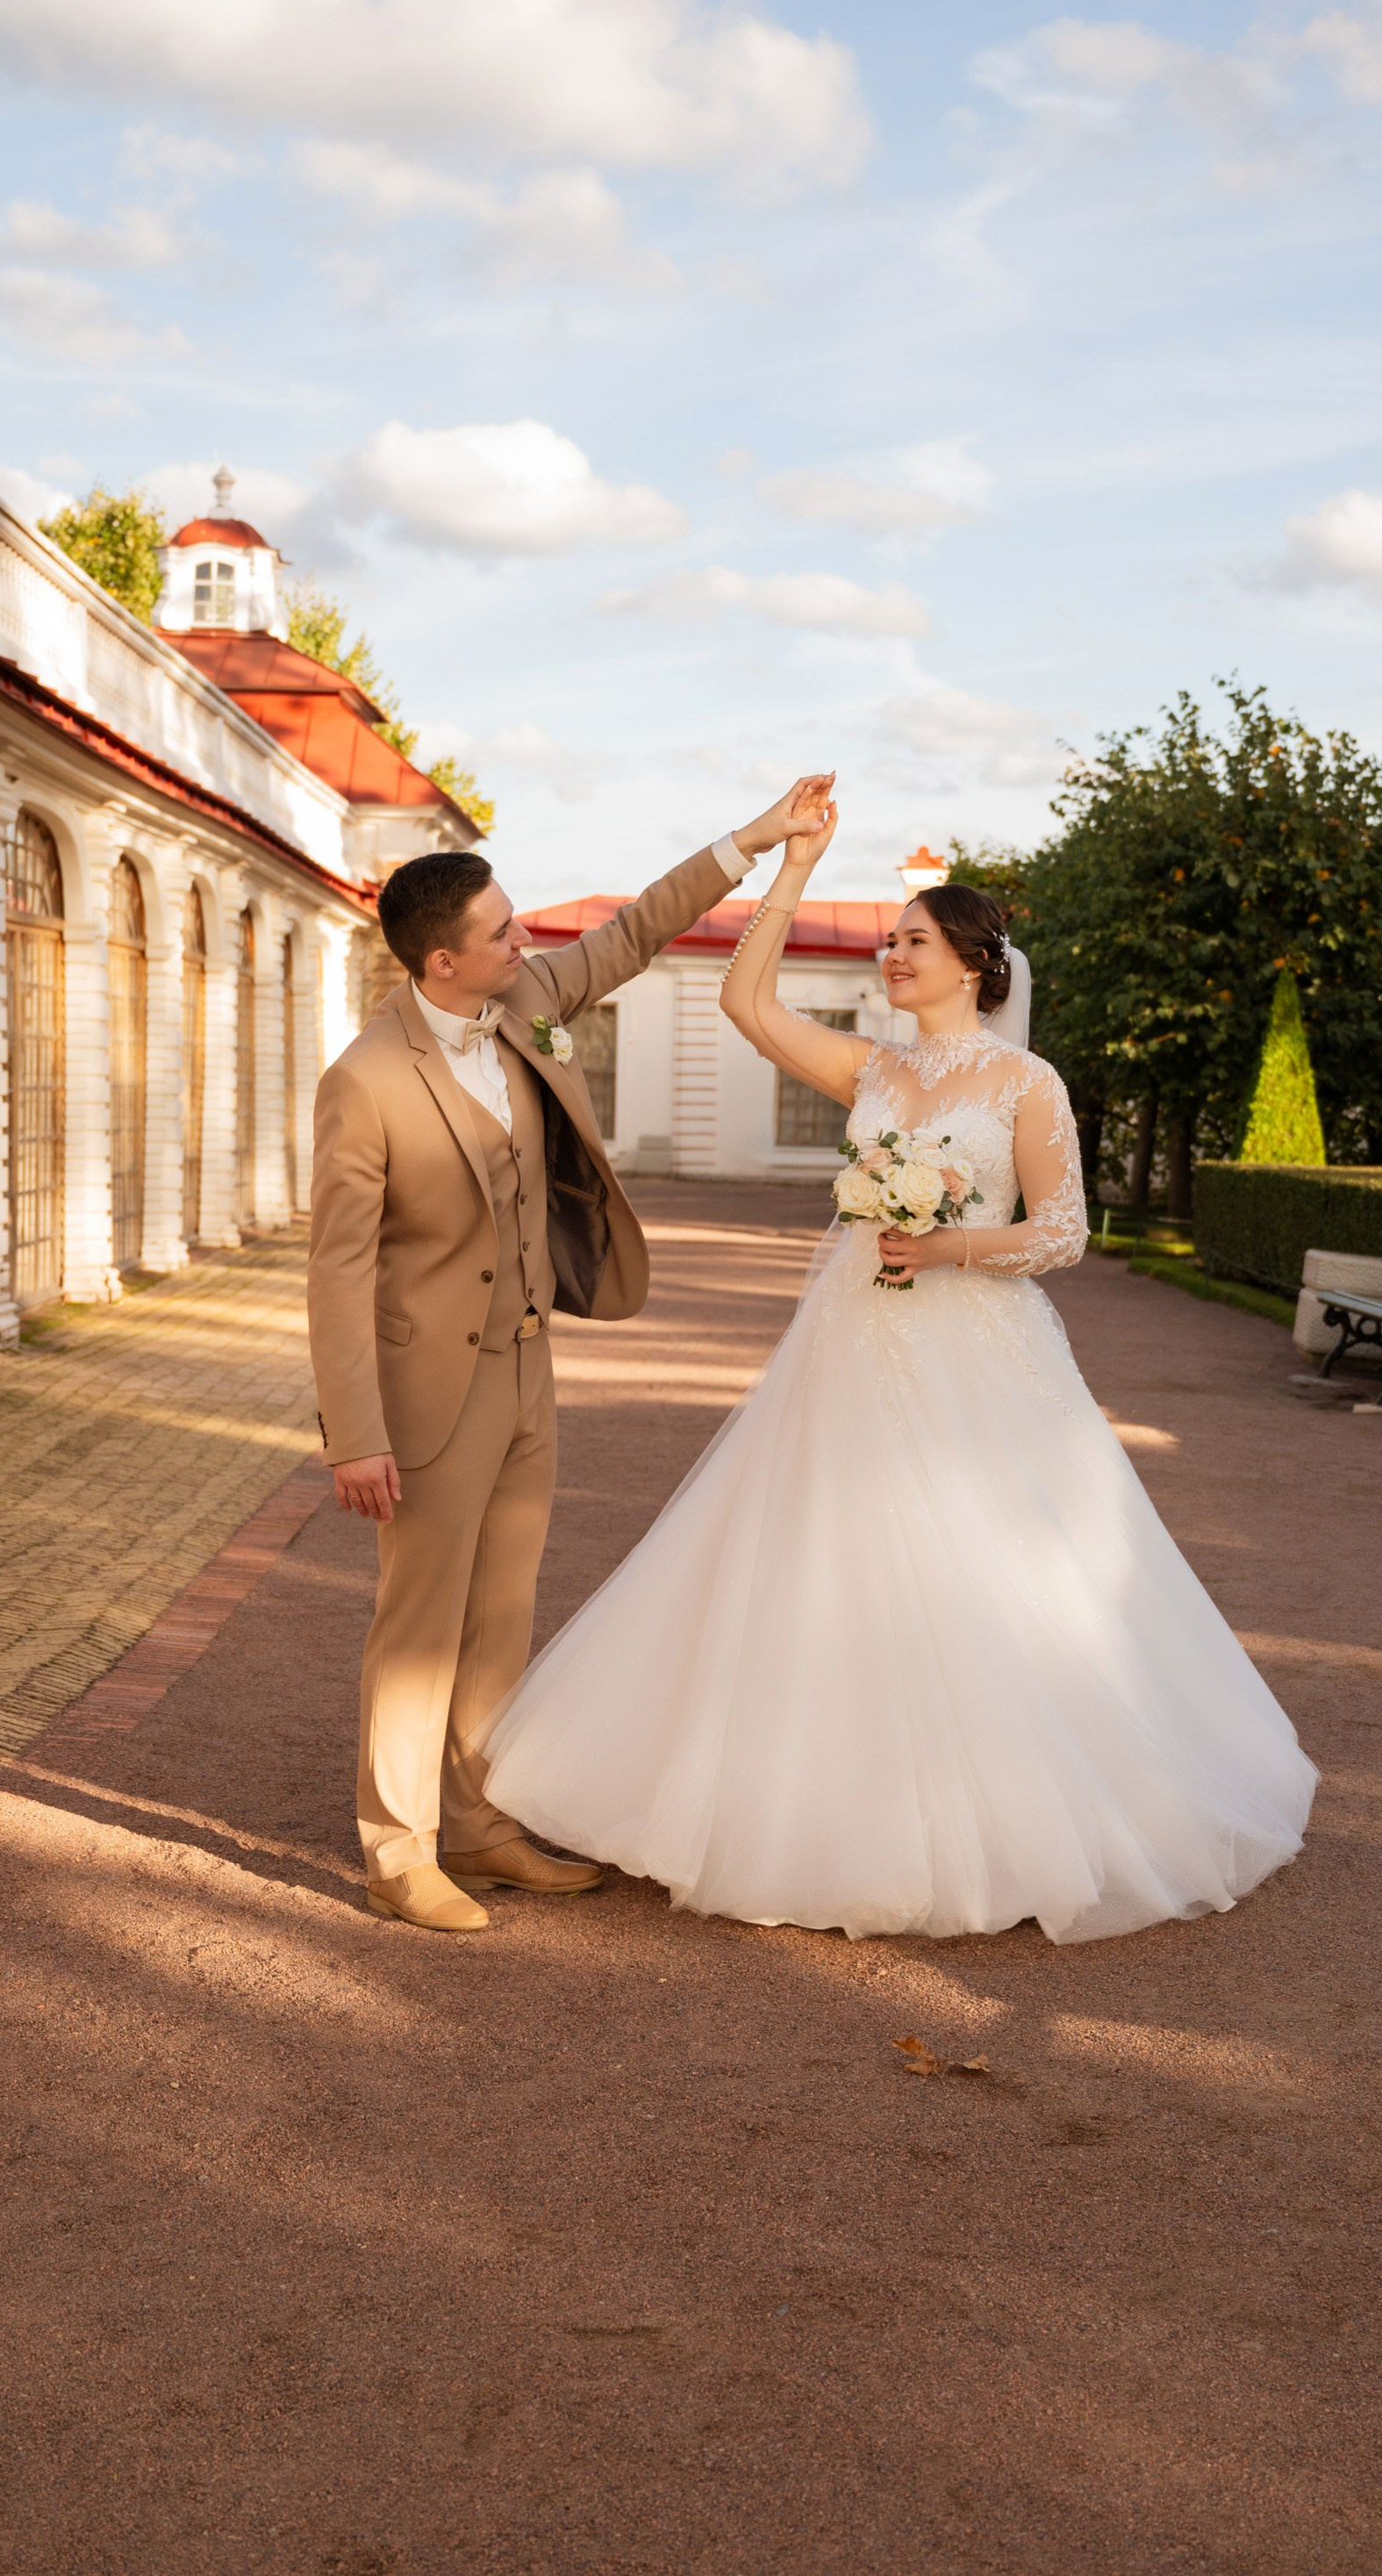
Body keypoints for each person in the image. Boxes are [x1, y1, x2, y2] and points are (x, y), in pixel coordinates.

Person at [481, 793, 1318, 1944]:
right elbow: (743, 1000)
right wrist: (793, 868)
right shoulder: (870, 1069)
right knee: (817, 1554)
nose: (893, 951)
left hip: (975, 1351)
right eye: (892, 938)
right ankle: (794, 1801)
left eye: (913, 938)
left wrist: (949, 1243)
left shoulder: (1030, 1089)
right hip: (851, 1344)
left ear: (975, 962)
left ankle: (1005, 1816)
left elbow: (1063, 1232)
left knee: (993, 1569)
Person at [307, 777, 834, 1932]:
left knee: (503, 1612)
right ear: (441, 964)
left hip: (529, 1368)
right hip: (426, 1390)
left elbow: (639, 928)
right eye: (499, 931)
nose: (522, 936)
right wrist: (356, 1436)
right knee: (419, 1628)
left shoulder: (530, 997)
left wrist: (757, 836)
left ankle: (482, 1822)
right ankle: (398, 1854)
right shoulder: (365, 1082)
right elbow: (337, 1268)